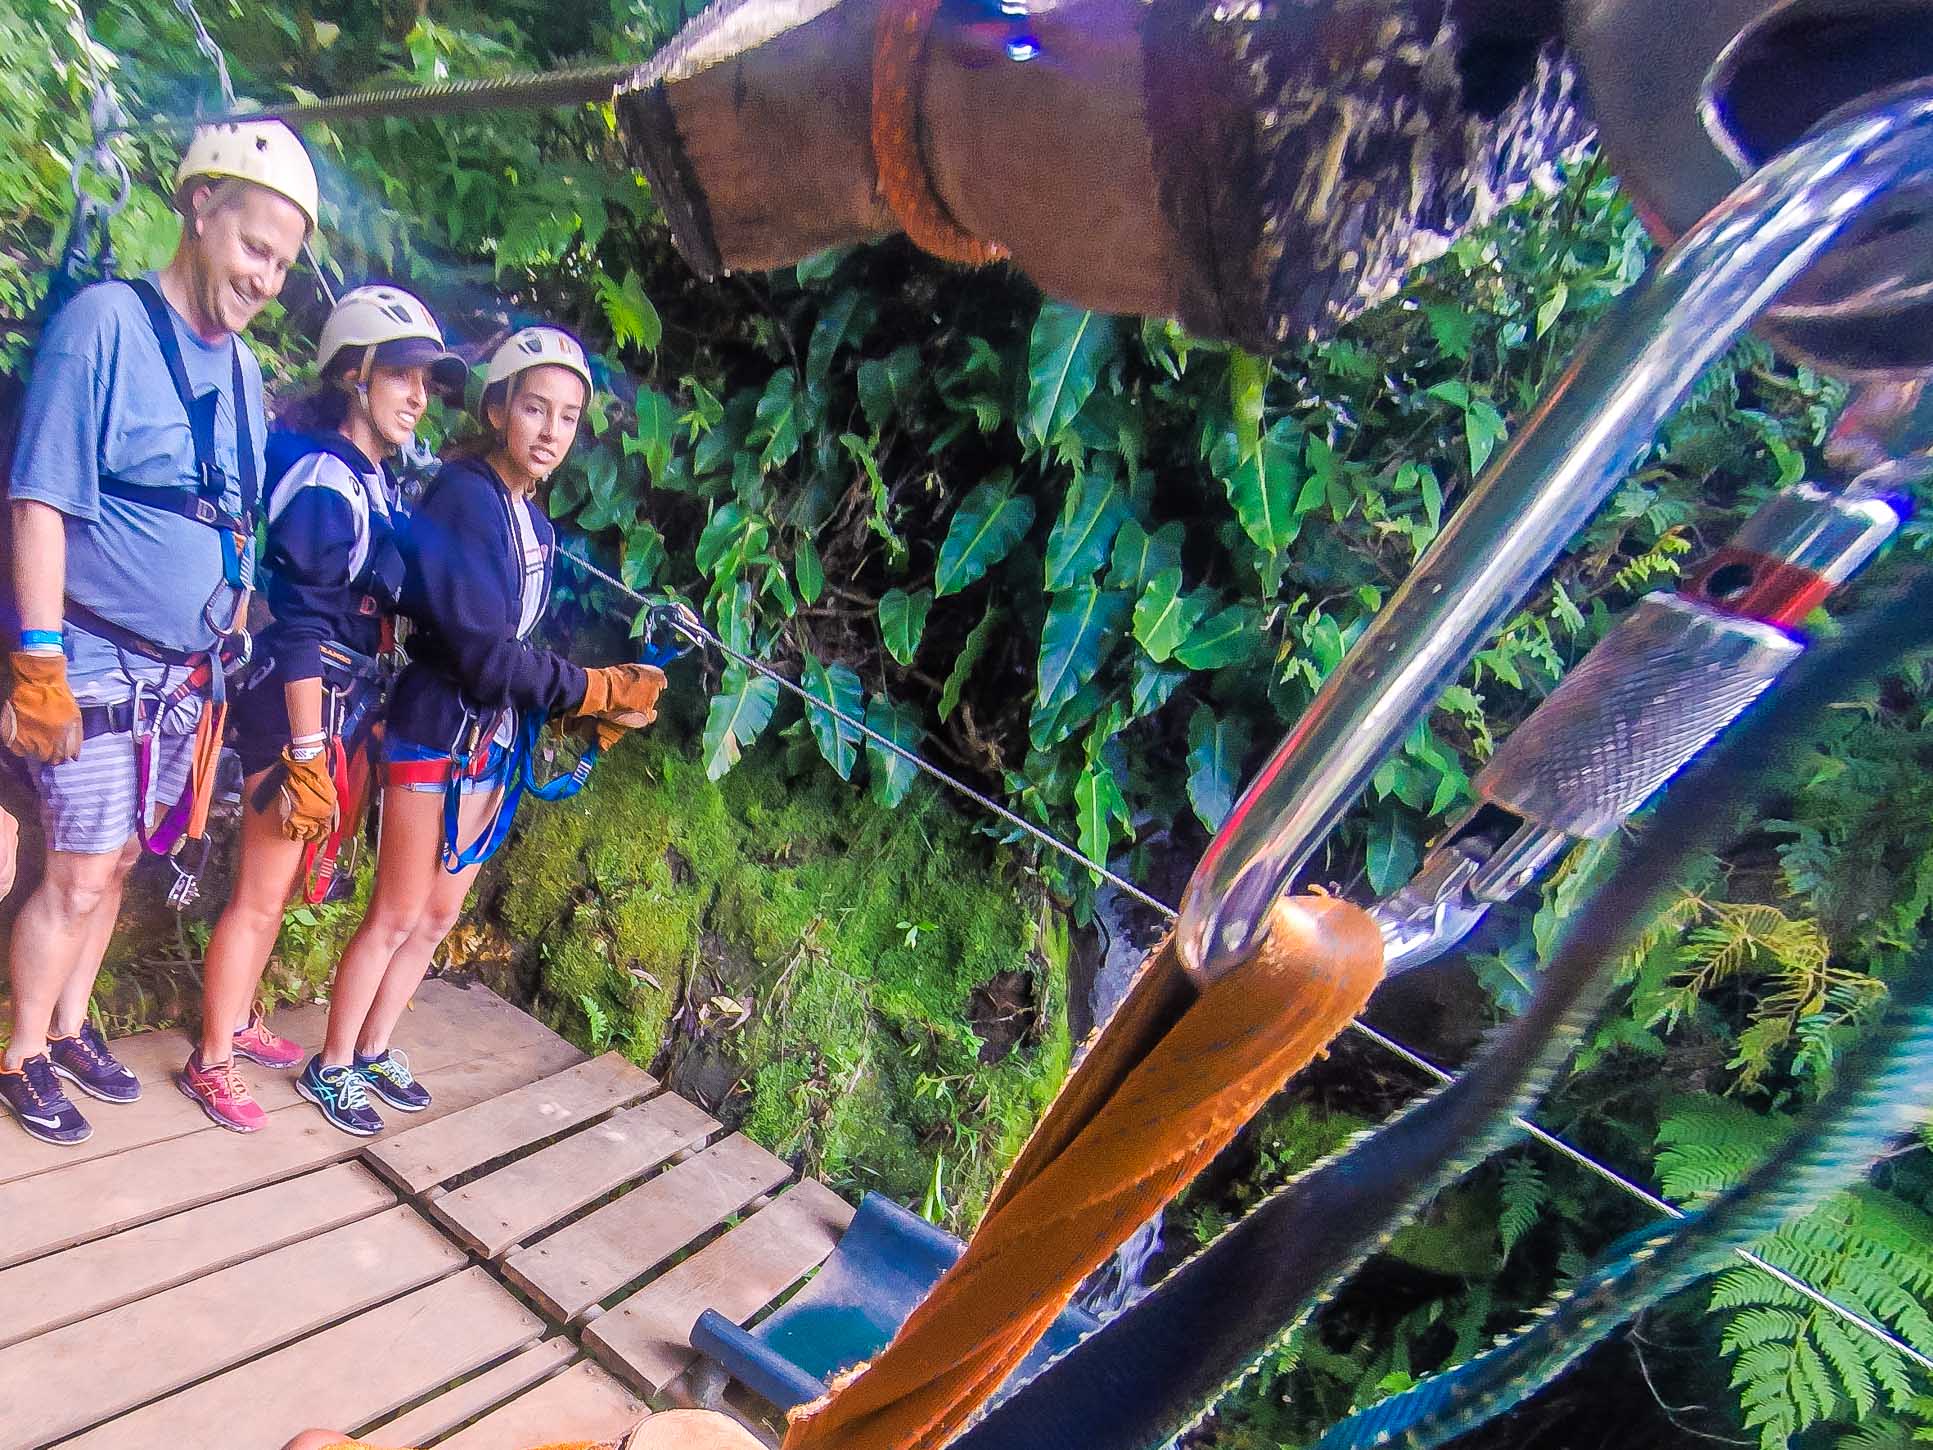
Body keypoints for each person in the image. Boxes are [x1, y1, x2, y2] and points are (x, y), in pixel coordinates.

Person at [0, 120, 318, 1146]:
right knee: (78, 871)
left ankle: (68, 1022)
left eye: (283, 263)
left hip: (185, 676)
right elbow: (39, 497)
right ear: (200, 206)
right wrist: (39, 661)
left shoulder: (244, 374)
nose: (266, 278)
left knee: (126, 856)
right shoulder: (104, 326)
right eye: (255, 247)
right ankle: (21, 1049)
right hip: (94, 654)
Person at [295, 325, 666, 1135]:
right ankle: (332, 1063)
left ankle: (373, 1048)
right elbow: (480, 652)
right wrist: (592, 690)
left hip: (489, 736)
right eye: (534, 408)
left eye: (566, 417)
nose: (550, 430)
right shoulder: (466, 497)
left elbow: (510, 652)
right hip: (436, 724)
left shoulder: (535, 524)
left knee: (436, 916)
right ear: (498, 410)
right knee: (397, 911)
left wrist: (579, 702)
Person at [178, 285, 466, 1132]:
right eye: (402, 376)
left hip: (338, 701)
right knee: (260, 892)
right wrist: (307, 752)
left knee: (279, 888)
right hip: (299, 702)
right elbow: (301, 622)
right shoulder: (323, 479)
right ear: (353, 376)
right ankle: (211, 1060)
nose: (419, 397)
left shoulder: (368, 478)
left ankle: (237, 1019)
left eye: (427, 382)